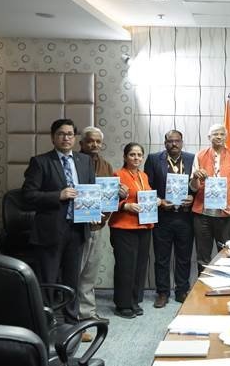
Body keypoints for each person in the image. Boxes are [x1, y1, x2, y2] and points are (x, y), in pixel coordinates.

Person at [22, 119, 95, 324]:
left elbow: (90, 191)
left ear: (75, 138)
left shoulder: (84, 161)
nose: (66, 138)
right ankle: (47, 322)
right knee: (48, 280)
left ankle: (72, 322)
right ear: (53, 137)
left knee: (73, 280)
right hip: (50, 230)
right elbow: (27, 196)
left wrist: (94, 210)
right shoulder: (40, 162)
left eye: (70, 134)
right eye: (61, 134)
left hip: (77, 229)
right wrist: (58, 195)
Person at [78, 126, 126, 340]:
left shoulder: (105, 165)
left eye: (98, 141)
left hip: (98, 226)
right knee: (76, 273)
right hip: (77, 227)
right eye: (90, 141)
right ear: (82, 143)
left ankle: (87, 313)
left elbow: (109, 196)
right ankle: (74, 319)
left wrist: (119, 193)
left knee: (90, 272)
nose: (94, 144)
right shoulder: (75, 162)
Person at [144, 130, 195, 308]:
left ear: (182, 142)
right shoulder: (153, 159)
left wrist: (193, 197)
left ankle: (182, 290)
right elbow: (147, 186)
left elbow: (197, 186)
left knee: (184, 257)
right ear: (165, 143)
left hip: (185, 216)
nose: (174, 144)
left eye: (177, 141)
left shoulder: (192, 159)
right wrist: (159, 201)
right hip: (163, 216)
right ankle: (162, 292)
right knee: (161, 257)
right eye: (170, 141)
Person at [108, 142, 158, 319]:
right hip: (123, 227)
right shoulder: (118, 175)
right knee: (125, 267)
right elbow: (107, 201)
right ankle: (123, 304)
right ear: (125, 157)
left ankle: (134, 301)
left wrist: (156, 201)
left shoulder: (143, 176)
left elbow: (146, 197)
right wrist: (125, 205)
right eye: (132, 154)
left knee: (139, 266)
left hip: (144, 226)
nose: (136, 158)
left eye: (139, 155)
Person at [190, 124, 230, 273]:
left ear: (226, 137)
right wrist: (195, 177)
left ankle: (226, 284)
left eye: (221, 134)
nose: (218, 137)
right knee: (203, 256)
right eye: (215, 134)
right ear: (209, 137)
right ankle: (202, 286)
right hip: (202, 213)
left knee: (226, 254)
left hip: (226, 213)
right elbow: (193, 188)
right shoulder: (200, 155)